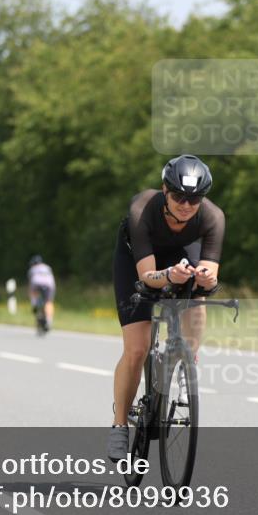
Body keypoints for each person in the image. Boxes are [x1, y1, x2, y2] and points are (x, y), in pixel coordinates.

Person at [108, 154, 224, 461]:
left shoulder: (213, 217)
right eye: (178, 197)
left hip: (182, 253)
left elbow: (210, 275)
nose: (186, 205)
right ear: (164, 190)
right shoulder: (141, 209)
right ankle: (120, 424)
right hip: (139, 260)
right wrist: (170, 275)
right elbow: (147, 277)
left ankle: (187, 362)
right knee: (137, 347)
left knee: (197, 298)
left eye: (195, 199)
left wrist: (205, 277)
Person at [27, 254, 56, 332]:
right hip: (49, 285)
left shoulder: (32, 269)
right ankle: (49, 321)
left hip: (37, 284)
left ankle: (35, 305)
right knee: (49, 302)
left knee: (34, 293)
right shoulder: (47, 267)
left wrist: (32, 299)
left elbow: (31, 284)